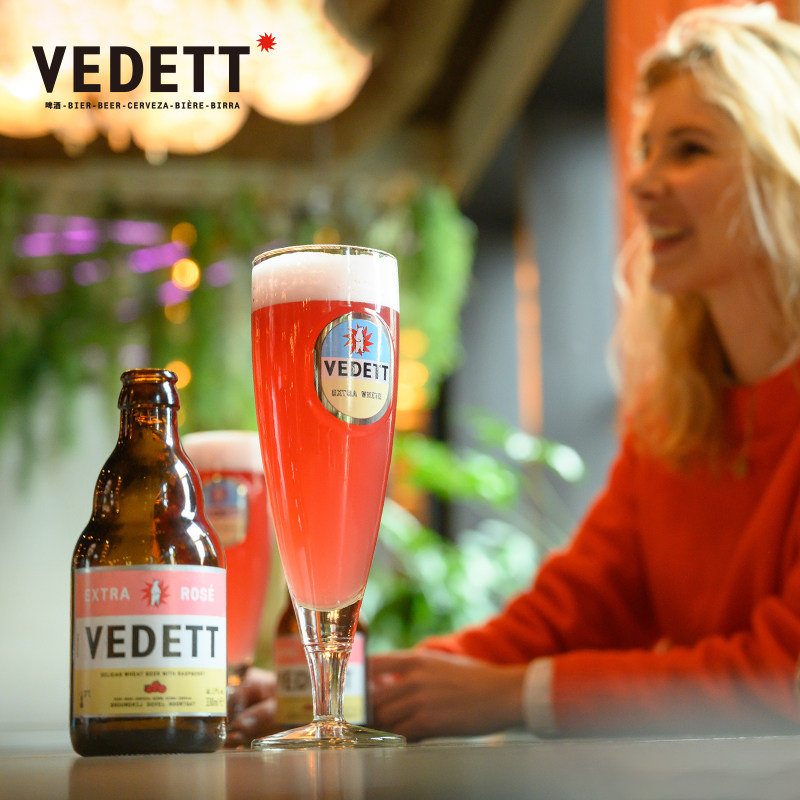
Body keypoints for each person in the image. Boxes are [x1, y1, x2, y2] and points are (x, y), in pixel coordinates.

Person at [226, 2, 800, 744]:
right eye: (646, 149)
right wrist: (348, 692)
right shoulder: (678, 420)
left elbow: (786, 677)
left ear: (784, 169)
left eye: (689, 149)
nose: (643, 182)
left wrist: (518, 696)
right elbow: (565, 615)